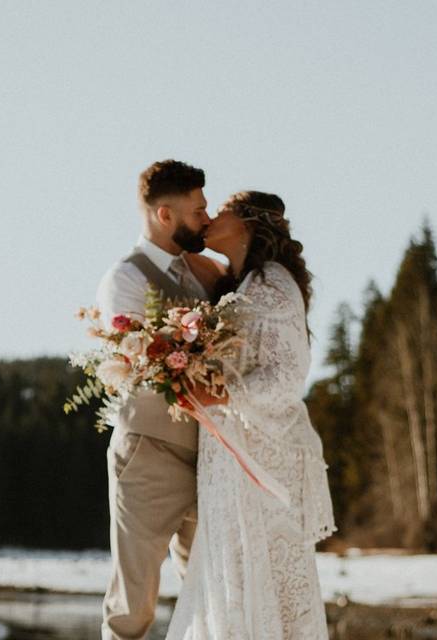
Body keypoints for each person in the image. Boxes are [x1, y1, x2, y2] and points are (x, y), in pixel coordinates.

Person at [165, 191, 336, 640]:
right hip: (226, 456)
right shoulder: (235, 283)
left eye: (220, 210)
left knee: (261, 575)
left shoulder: (273, 283)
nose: (211, 217)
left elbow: (287, 377)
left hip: (260, 456)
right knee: (231, 573)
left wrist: (220, 392)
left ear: (247, 223)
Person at [96, 159, 222, 640]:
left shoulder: (204, 273)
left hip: (209, 456)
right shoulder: (126, 279)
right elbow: (150, 362)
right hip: (150, 451)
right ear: (164, 215)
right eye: (198, 209)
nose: (206, 218)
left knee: (207, 590)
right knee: (134, 601)